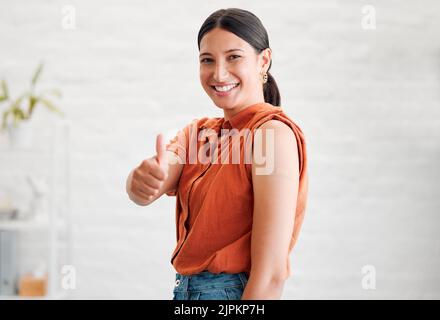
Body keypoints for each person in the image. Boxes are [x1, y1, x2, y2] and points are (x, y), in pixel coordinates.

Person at [126, 8, 308, 300]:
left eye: (233, 57)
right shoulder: (198, 133)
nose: (219, 73)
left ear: (264, 60)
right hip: (186, 292)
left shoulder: (271, 135)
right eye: (207, 60)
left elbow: (271, 274)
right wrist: (139, 181)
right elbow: (151, 185)